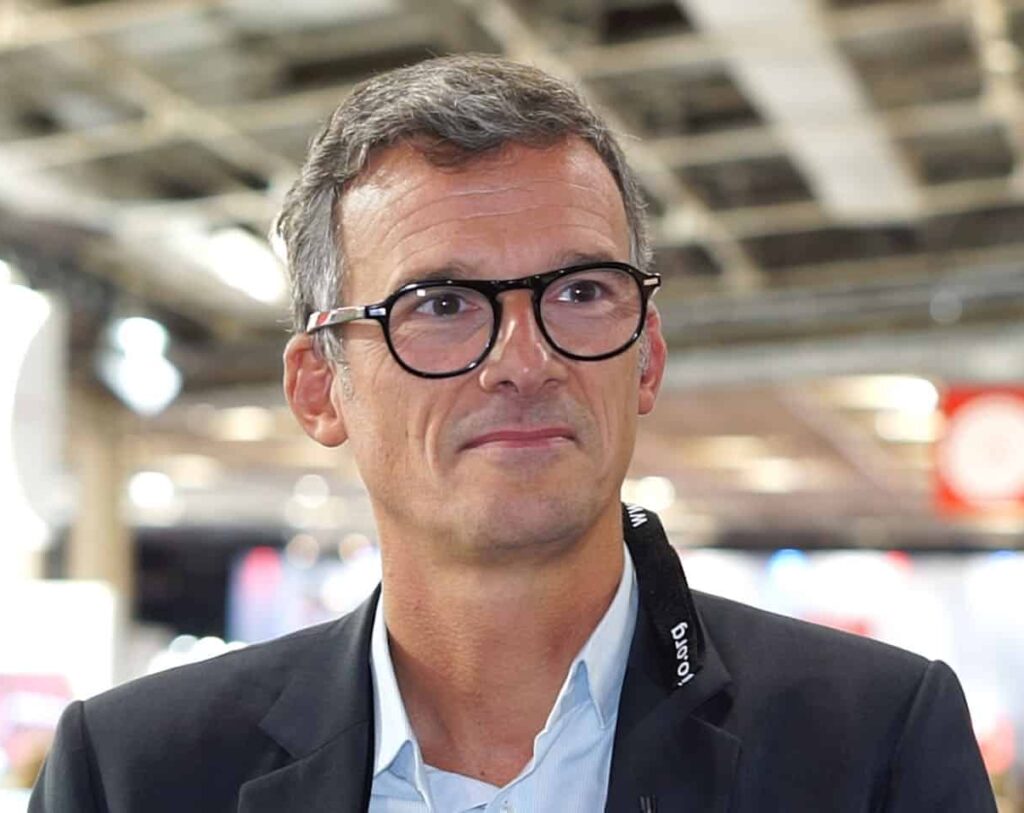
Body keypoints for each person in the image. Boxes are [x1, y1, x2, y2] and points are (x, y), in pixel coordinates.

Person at [31, 55, 995, 812]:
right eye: (442, 304)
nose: (523, 360)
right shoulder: (134, 773)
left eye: (581, 292)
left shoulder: (874, 741)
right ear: (320, 387)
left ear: (646, 358)